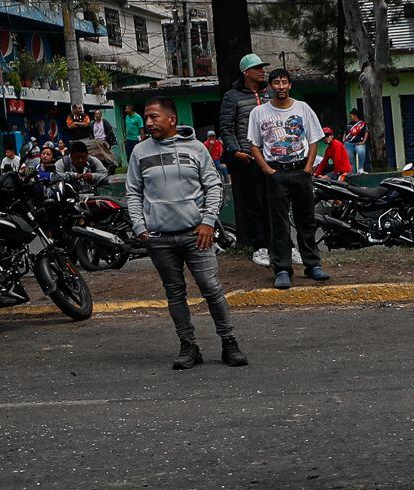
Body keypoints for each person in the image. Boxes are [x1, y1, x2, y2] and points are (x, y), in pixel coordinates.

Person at [125, 95, 245, 369]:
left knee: (211, 289)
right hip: (160, 238)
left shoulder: (197, 149)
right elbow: (133, 192)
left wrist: (208, 221)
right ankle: (188, 346)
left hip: (197, 234)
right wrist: (140, 226)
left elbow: (213, 186)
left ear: (172, 119)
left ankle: (229, 342)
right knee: (174, 292)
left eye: (154, 116)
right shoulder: (140, 152)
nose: (148, 122)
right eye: (146, 117)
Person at [249, 68, 331, 290]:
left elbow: (314, 139)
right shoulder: (259, 113)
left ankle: (312, 265)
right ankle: (282, 269)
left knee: (306, 220)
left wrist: (308, 167)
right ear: (270, 86)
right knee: (279, 224)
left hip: (301, 171)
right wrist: (266, 169)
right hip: (276, 173)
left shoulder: (303, 108)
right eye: (276, 83)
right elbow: (254, 145)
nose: (281, 87)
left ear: (290, 85)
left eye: (284, 82)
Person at [216, 53, 274, 263]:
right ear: (246, 72)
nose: (262, 71)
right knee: (255, 204)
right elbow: (226, 127)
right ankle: (259, 247)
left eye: (262, 67)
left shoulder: (270, 92)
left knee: (275, 202)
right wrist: (235, 150)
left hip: (272, 156)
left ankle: (280, 244)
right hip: (248, 158)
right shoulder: (232, 96)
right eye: (257, 68)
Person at [345, 107, 368, 172]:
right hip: (349, 144)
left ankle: (360, 168)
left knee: (361, 152)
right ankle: (353, 173)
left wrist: (363, 142)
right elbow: (346, 133)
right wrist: (344, 141)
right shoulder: (349, 124)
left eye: (351, 115)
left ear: (355, 115)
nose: (350, 117)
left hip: (359, 143)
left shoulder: (362, 124)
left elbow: (366, 133)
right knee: (350, 159)